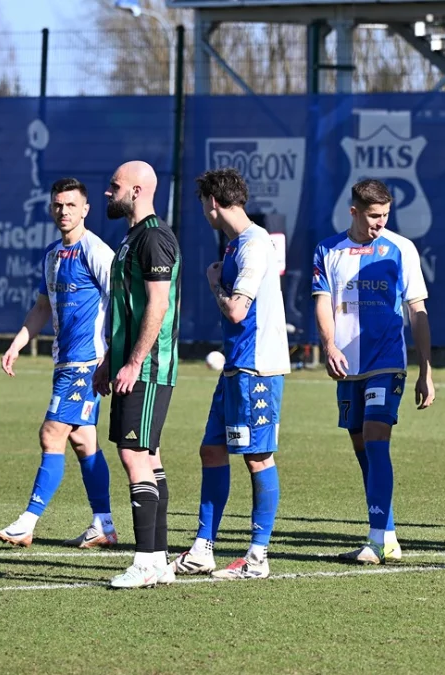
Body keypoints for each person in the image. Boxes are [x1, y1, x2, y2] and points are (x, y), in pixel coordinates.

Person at [169, 168, 290, 580]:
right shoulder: (240, 244)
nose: (204, 211)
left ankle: (257, 557)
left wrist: (212, 283)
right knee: (212, 450)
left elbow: (237, 309)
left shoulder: (255, 245)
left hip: (257, 366)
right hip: (237, 366)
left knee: (257, 458)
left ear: (214, 203)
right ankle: (203, 548)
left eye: (204, 204)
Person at [312, 179, 435, 564]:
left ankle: (377, 538)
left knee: (376, 437)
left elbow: (417, 310)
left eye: (385, 215)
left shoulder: (401, 248)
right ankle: (389, 534)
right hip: (347, 366)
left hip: (386, 362)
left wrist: (425, 369)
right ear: (354, 211)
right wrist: (329, 346)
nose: (380, 222)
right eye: (373, 215)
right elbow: (322, 300)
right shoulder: (327, 249)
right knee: (361, 445)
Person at [0, 178, 117, 549]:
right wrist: (18, 342)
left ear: (85, 209)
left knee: (51, 433)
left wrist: (110, 357)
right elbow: (42, 307)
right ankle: (104, 524)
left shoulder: (96, 250)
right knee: (82, 441)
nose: (63, 211)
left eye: (70, 205)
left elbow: (120, 303)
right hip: (65, 361)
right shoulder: (51, 255)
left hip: (86, 362)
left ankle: (26, 522)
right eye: (57, 205)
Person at [94, 161, 182, 589]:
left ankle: (146, 559)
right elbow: (126, 311)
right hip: (132, 365)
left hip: (147, 368)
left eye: (115, 186)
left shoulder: (154, 238)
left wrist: (132, 362)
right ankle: (160, 559)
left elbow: (157, 305)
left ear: (137, 190)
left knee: (134, 457)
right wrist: (112, 359)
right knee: (148, 457)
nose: (108, 192)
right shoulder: (132, 238)